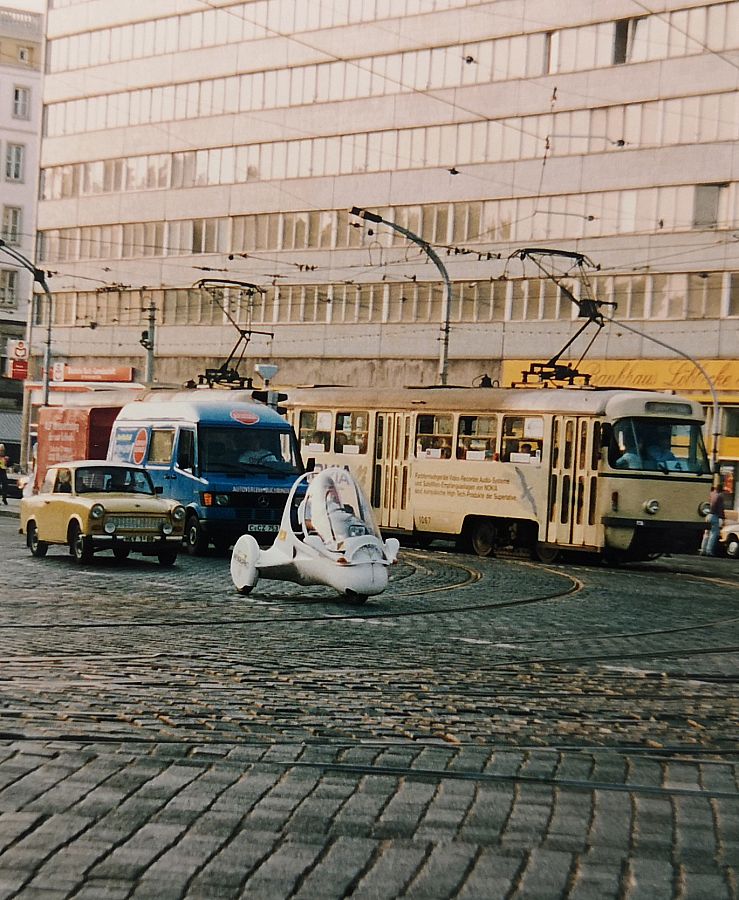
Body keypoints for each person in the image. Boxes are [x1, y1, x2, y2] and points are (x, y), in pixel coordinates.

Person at [700, 482, 726, 556]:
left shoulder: (711, 494)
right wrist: (722, 518)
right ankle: (709, 550)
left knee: (706, 533)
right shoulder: (719, 497)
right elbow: (720, 508)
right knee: (713, 534)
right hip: (714, 516)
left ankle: (703, 549)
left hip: (707, 515)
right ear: (721, 490)